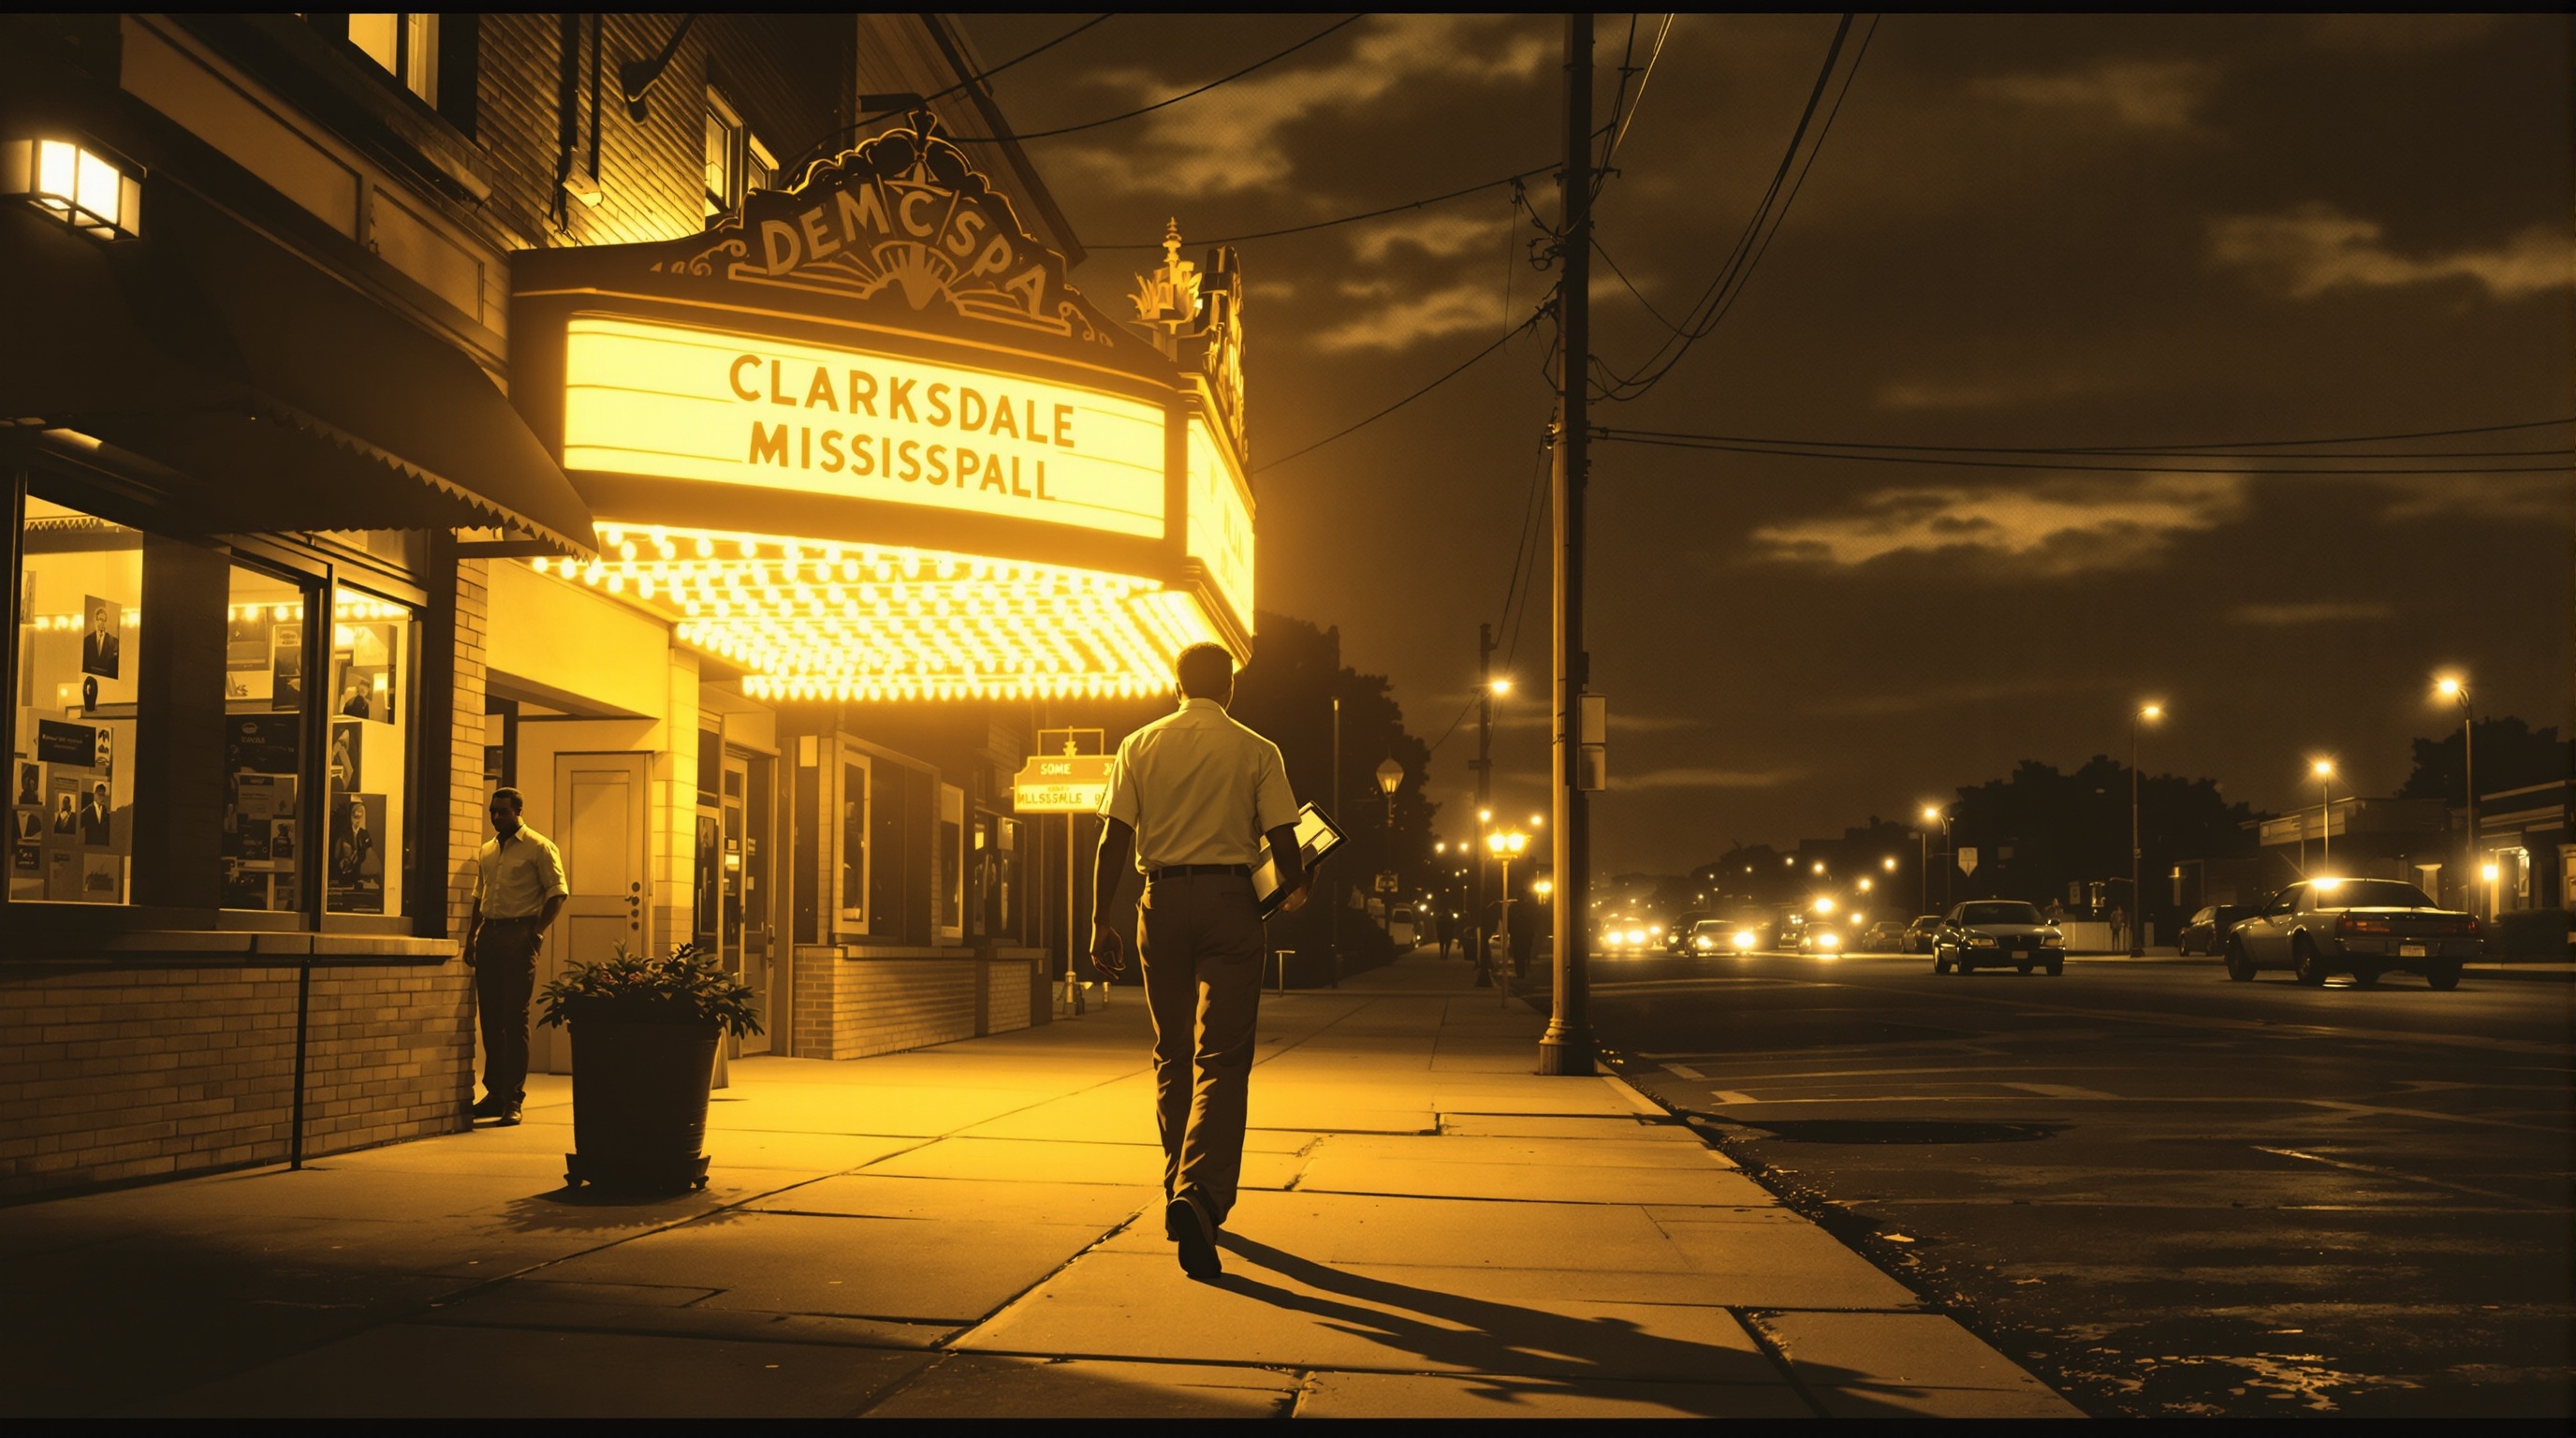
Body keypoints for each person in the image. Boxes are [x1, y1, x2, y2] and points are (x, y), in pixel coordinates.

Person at [1090, 642, 1305, 1280]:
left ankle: (1175, 1184)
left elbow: (1114, 838)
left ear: (1174, 683)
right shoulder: (1258, 749)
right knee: (1223, 1057)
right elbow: (1286, 844)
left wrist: (1100, 919)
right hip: (1231, 904)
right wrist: (1296, 886)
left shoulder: (1138, 744)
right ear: (1231, 688)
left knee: (1173, 1053)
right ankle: (1201, 1193)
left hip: (1160, 901)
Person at [465, 787, 566, 1125]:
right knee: (491, 1019)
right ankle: (495, 1093)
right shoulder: (488, 851)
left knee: (514, 1017)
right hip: (490, 936)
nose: (496, 818)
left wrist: (536, 933)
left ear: (518, 811)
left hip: (519, 934)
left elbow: (557, 893)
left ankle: (514, 1097)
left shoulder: (539, 847)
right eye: (493, 812)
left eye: (503, 812)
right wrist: (471, 938)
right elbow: (480, 896)